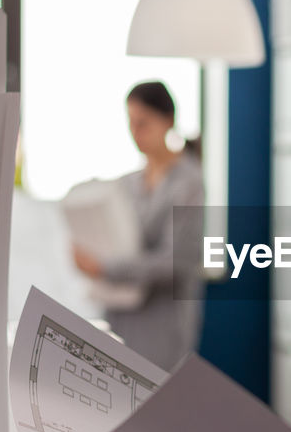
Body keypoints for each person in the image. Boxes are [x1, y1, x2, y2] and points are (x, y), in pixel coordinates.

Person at [73, 82, 204, 369]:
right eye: (131, 124)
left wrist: (107, 267)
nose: (136, 134)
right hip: (119, 312)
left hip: (162, 321)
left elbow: (176, 261)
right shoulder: (126, 184)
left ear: (167, 121)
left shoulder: (189, 183)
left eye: (143, 124)